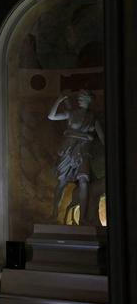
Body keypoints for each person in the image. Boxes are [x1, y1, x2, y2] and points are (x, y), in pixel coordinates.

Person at [48, 90, 104, 224]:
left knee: (84, 180)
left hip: (83, 151)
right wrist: (59, 100)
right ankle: (54, 214)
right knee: (61, 182)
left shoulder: (92, 118)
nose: (79, 98)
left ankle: (83, 218)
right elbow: (51, 116)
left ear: (89, 100)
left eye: (82, 97)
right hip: (68, 150)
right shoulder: (72, 113)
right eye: (79, 96)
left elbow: (102, 137)